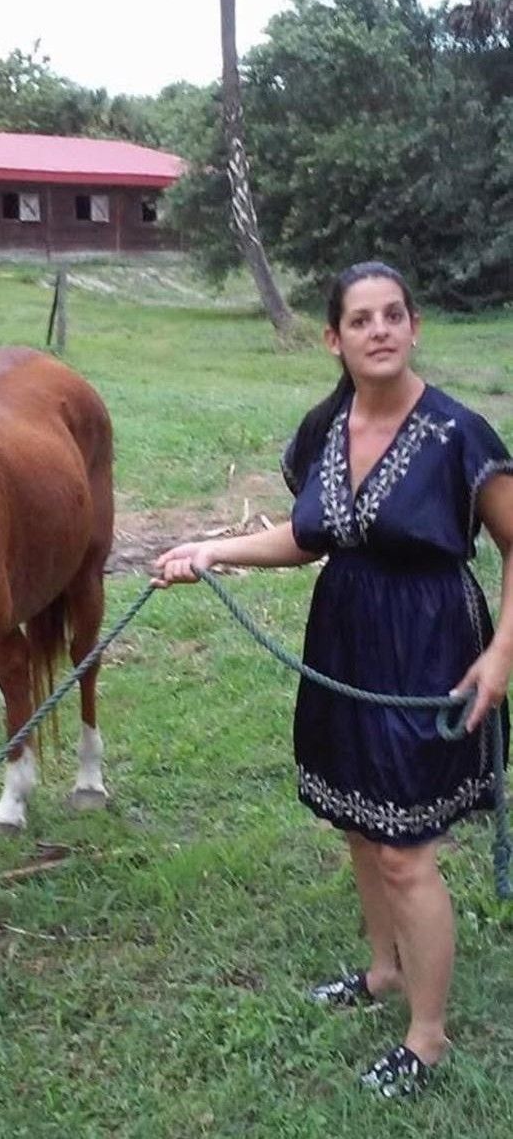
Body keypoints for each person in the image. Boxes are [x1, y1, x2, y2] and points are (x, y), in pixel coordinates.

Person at [153, 261, 513, 1097]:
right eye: (361, 319)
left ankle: (426, 1037)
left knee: (403, 851)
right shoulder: (326, 426)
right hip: (343, 641)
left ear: (414, 327)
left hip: (428, 648)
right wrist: (210, 548)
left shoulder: (460, 434)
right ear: (334, 338)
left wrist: (501, 654)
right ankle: (381, 971)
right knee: (358, 822)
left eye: (394, 314)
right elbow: (308, 535)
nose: (380, 329)